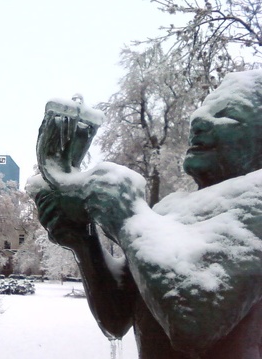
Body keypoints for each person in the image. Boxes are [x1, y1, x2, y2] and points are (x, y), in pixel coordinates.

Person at [31, 70, 262, 358]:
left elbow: (193, 324)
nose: (198, 121)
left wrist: (128, 217)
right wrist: (83, 237)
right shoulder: (170, 210)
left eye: (227, 116)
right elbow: (116, 318)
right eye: (202, 111)